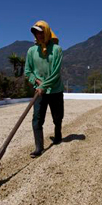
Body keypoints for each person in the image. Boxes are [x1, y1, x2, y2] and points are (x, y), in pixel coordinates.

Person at [24, 20, 64, 158]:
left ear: (46, 32)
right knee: (37, 119)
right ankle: (38, 147)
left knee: (57, 116)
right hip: (39, 92)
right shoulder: (31, 51)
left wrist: (44, 85)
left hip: (55, 91)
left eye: (41, 32)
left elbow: (55, 73)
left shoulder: (57, 50)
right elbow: (28, 71)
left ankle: (58, 133)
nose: (38, 35)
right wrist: (36, 81)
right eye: (36, 32)